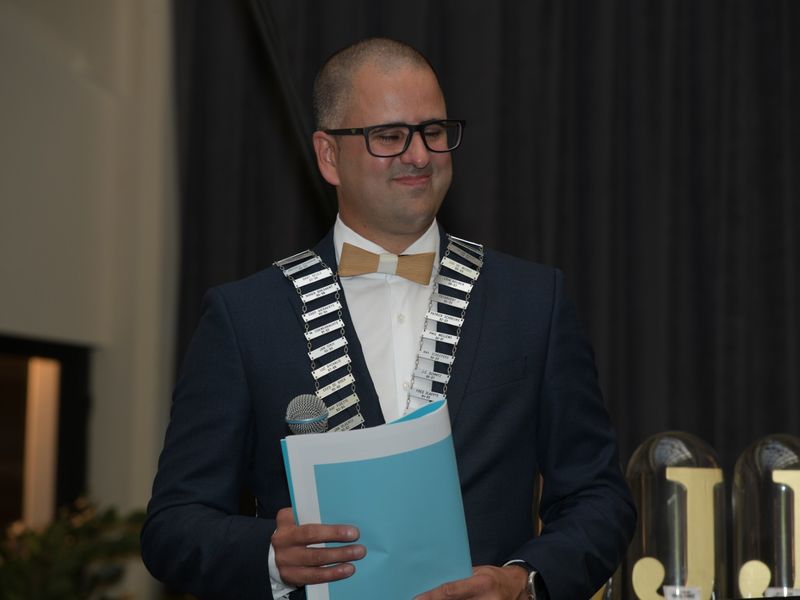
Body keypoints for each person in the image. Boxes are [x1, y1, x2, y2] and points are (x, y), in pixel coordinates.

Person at [141, 37, 636, 600]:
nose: (420, 155)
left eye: (433, 131)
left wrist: (522, 581)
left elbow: (600, 498)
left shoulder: (531, 301)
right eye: (389, 135)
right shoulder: (246, 317)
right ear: (329, 156)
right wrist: (272, 556)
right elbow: (173, 526)